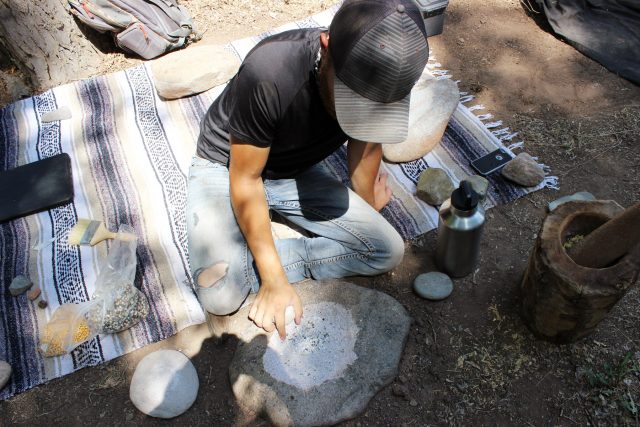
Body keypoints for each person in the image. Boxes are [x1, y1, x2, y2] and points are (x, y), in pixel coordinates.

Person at [187, 0, 430, 339]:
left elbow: (367, 143)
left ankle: (253, 260)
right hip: (226, 165)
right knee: (221, 296)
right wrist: (273, 281)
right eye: (352, 99)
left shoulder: (386, 75)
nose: (360, 114)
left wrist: (366, 205)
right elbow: (245, 178)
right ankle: (256, 263)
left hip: (295, 172)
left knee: (386, 249)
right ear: (326, 46)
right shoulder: (270, 70)